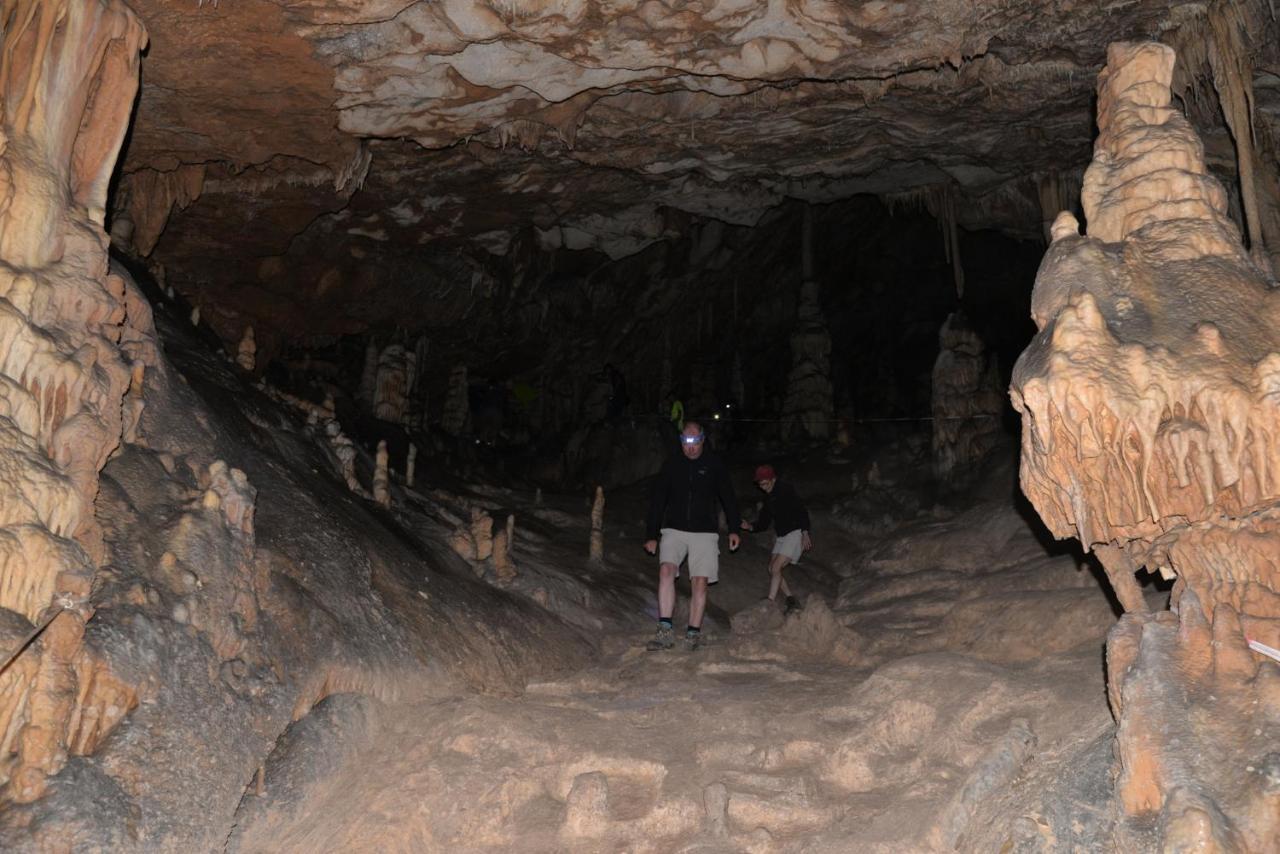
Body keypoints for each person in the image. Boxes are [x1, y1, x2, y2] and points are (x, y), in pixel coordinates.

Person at [643, 421, 741, 651]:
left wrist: (734, 528)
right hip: (674, 528)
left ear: (703, 440)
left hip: (704, 531)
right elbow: (658, 500)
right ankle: (665, 630)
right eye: (686, 442)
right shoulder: (672, 464)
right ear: (681, 442)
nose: (691, 447)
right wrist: (651, 534)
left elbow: (728, 496)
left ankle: (692, 633)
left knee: (700, 582)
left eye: (695, 441)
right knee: (666, 570)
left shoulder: (714, 464)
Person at [740, 464, 811, 614]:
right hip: (782, 535)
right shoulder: (768, 498)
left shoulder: (786, 490)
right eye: (760, 484)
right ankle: (791, 599)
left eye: (765, 483)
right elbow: (764, 522)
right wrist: (750, 527)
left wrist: (805, 532)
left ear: (773, 479)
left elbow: (801, 510)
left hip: (795, 532)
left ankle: (770, 602)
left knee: (776, 568)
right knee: (771, 569)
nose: (763, 487)